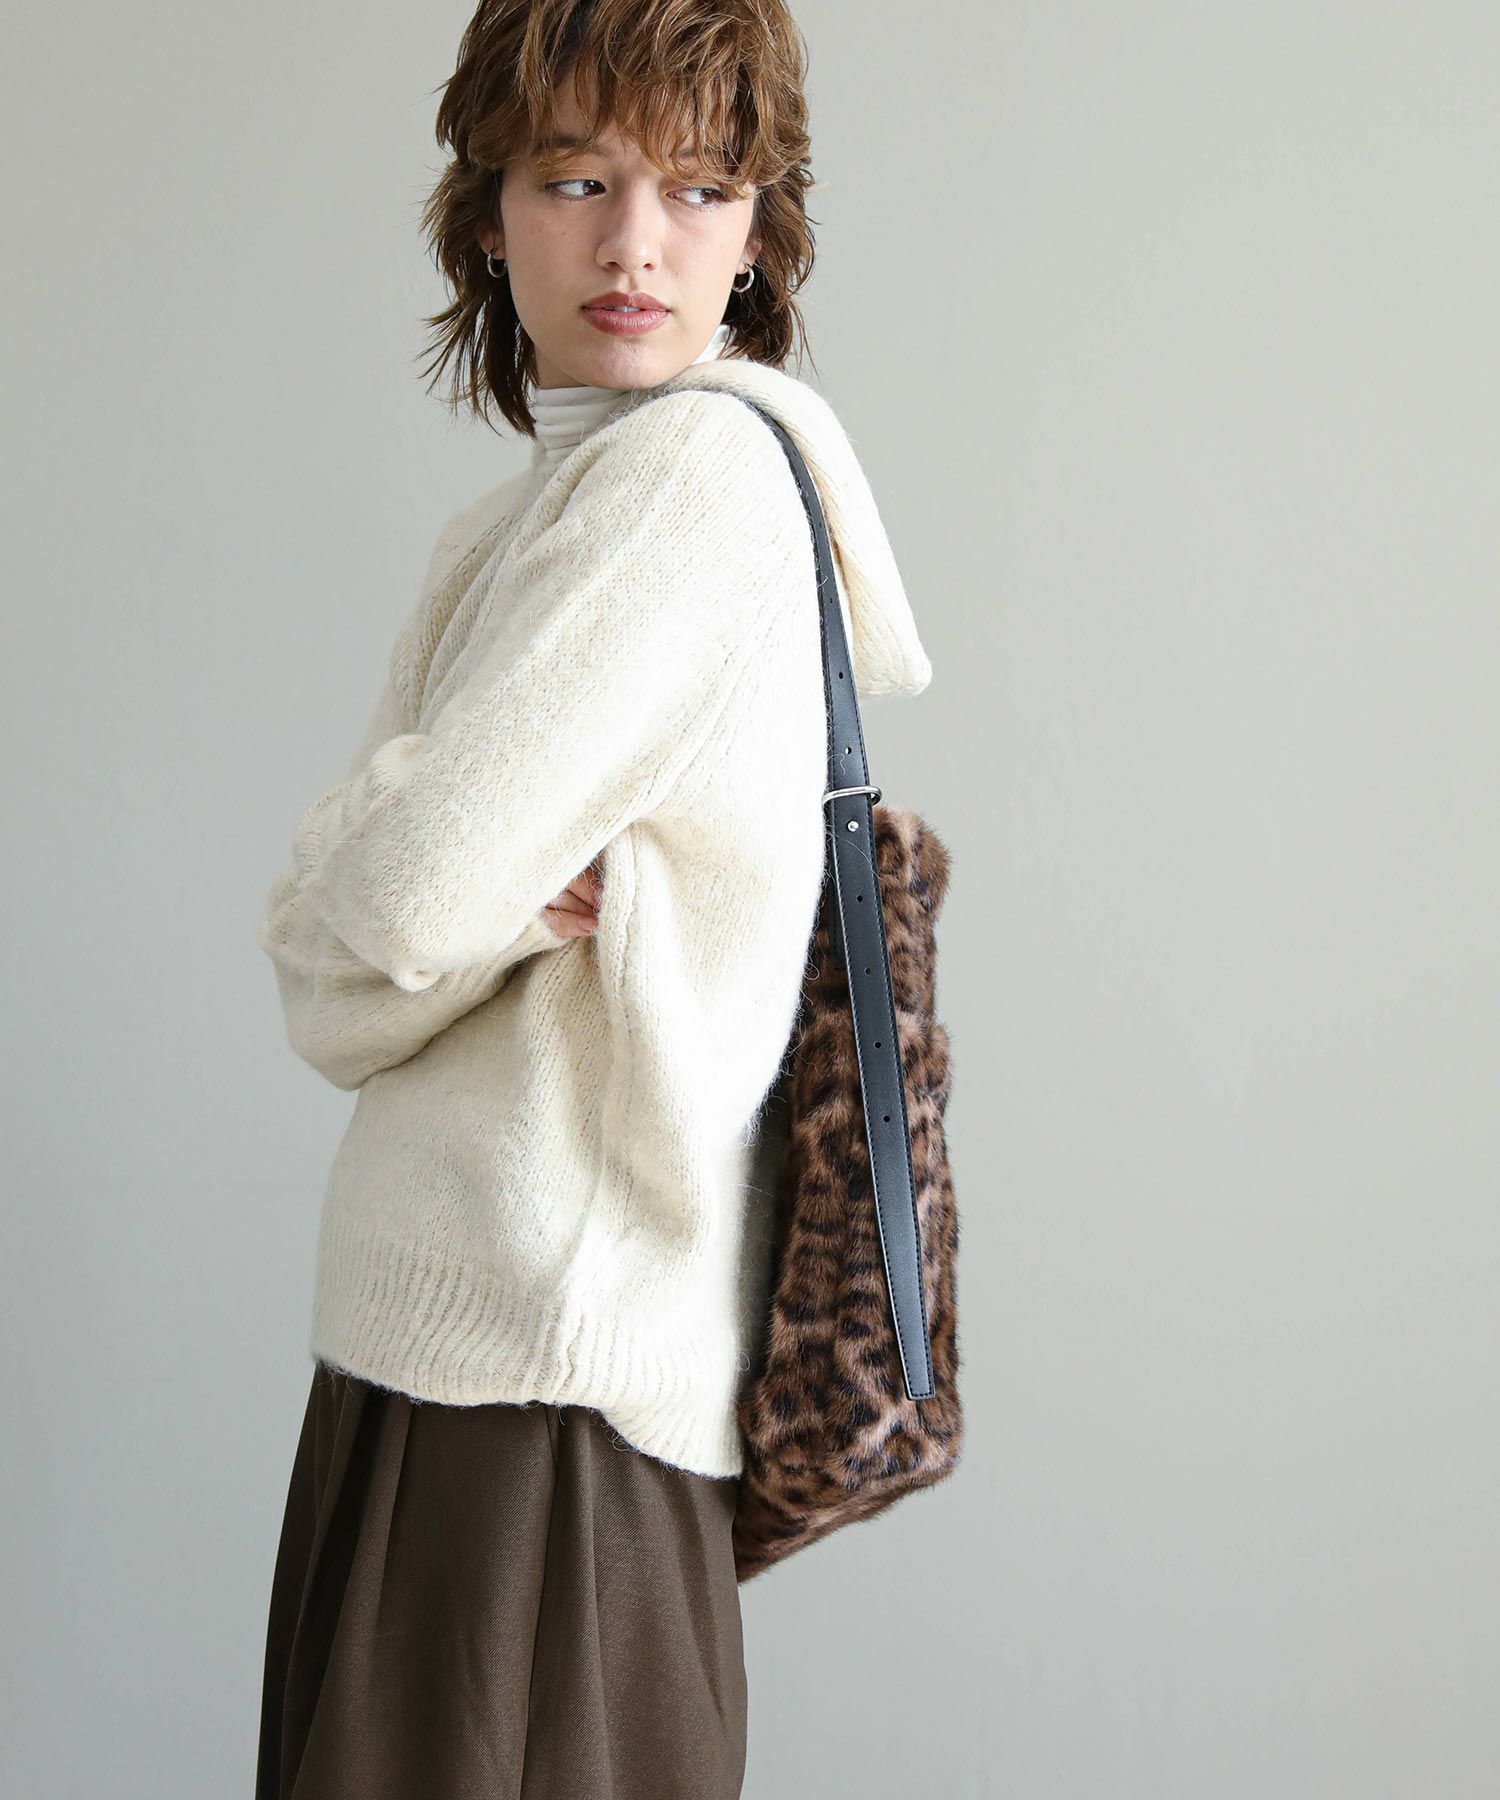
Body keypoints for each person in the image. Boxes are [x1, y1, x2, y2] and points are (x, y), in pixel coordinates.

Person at [253, 1, 932, 1795]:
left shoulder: (692, 484)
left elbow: (400, 896)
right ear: (488, 213)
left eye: (699, 190)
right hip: (435, 1354)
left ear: (759, 235)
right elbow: (331, 990)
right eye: (577, 180)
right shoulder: (501, 535)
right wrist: (428, 895)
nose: (637, 244)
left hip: (548, 1387)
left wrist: (403, 888)